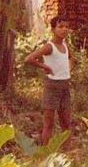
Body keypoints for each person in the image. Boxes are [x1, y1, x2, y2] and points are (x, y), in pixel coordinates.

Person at [24, 14, 73, 145]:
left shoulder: (65, 46)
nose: (64, 30)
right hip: (52, 86)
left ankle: (68, 152)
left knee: (66, 122)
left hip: (64, 85)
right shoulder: (49, 47)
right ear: (53, 29)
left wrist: (68, 70)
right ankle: (46, 154)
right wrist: (44, 66)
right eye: (60, 26)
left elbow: (70, 58)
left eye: (67, 27)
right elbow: (29, 59)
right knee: (49, 123)